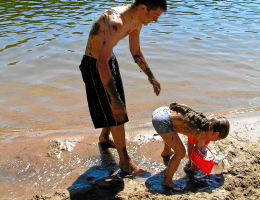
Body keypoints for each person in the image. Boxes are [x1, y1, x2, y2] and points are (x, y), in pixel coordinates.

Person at [79, 0, 167, 176]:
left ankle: (104, 137)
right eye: (155, 15)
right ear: (143, 8)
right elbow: (101, 62)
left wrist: (151, 77)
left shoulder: (137, 20)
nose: (156, 20)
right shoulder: (115, 23)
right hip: (95, 64)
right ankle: (125, 162)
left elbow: (135, 51)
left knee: (117, 107)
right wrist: (114, 97)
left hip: (108, 60)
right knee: (117, 110)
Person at [152, 102, 230, 188]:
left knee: (175, 129)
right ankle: (167, 181)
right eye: (217, 139)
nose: (215, 141)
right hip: (162, 121)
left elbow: (191, 144)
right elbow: (196, 157)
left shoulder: (202, 122)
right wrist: (192, 171)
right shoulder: (202, 136)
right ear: (215, 133)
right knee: (180, 152)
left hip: (161, 111)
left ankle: (166, 151)